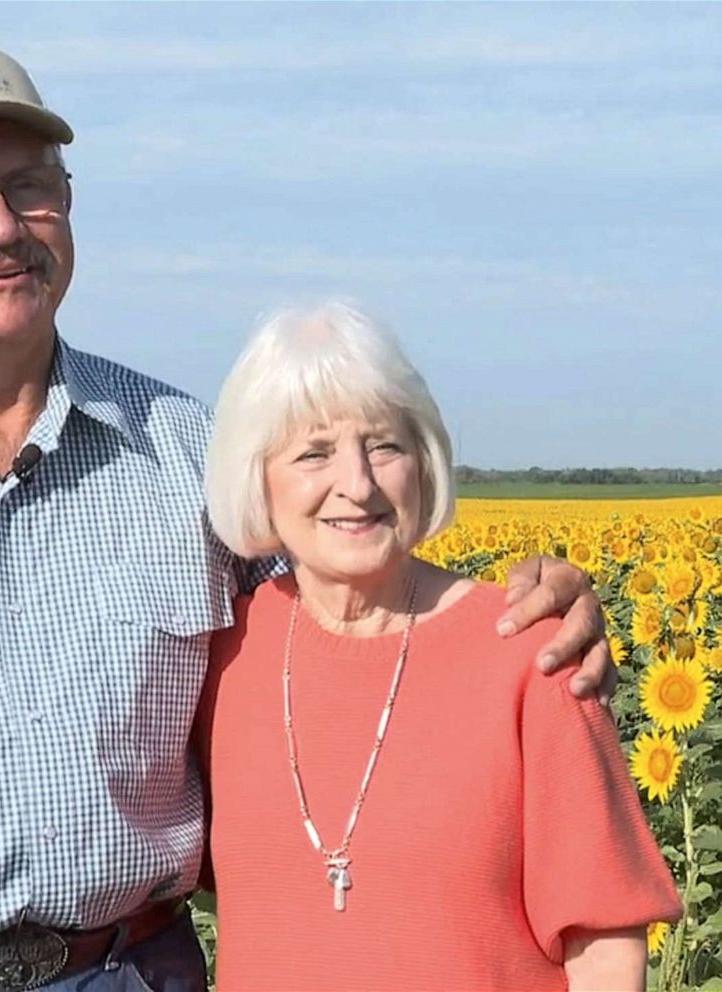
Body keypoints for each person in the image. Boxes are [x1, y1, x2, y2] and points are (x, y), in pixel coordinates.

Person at [0, 38, 611, 992]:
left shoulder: (194, 455)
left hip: (121, 969)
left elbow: (346, 638)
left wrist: (518, 619)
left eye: (30, 187)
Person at [197, 301, 682, 992]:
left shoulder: (529, 655)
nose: (358, 484)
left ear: (424, 462)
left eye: (385, 445)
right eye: (314, 452)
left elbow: (604, 944)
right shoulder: (225, 653)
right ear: (257, 479)